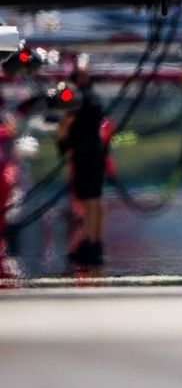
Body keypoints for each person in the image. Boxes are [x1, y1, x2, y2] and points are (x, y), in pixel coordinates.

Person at [56, 67, 107, 267]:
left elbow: (65, 124)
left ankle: (90, 242)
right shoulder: (95, 98)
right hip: (96, 153)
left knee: (87, 201)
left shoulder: (77, 99)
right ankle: (95, 241)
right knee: (97, 198)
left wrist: (61, 139)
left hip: (83, 154)